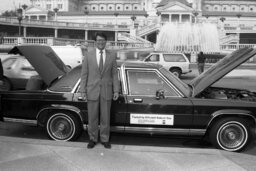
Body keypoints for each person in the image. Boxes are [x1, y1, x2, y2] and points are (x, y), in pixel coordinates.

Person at [80, 32, 119, 149]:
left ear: (105, 42)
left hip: (107, 91)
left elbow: (114, 74)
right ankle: (92, 139)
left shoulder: (112, 55)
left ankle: (104, 139)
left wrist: (116, 90)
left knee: (105, 117)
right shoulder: (88, 55)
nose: (100, 42)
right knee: (92, 117)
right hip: (92, 90)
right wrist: (83, 91)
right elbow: (84, 74)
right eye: (98, 40)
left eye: (102, 40)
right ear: (95, 42)